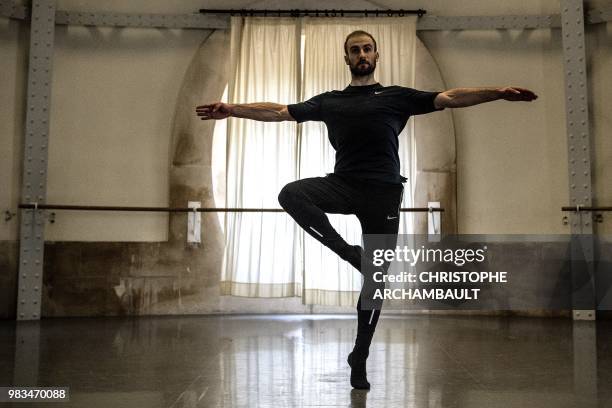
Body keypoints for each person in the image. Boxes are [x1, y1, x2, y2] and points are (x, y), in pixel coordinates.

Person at [195, 30, 537, 390]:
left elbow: (449, 97)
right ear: (346, 59)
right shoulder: (330, 101)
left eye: (367, 49)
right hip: (343, 185)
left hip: (385, 194)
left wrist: (497, 93)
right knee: (291, 194)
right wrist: (232, 109)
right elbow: (280, 111)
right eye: (355, 50)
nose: (361, 54)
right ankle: (350, 254)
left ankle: (359, 355)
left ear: (376, 55)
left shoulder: (396, 97)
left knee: (376, 281)